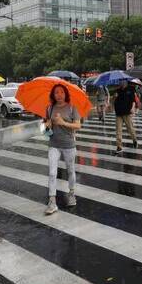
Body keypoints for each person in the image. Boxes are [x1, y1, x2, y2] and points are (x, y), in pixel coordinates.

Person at [43, 84, 81, 215]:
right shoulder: (49, 108)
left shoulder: (72, 107)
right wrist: (47, 126)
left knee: (70, 170)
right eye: (56, 93)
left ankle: (71, 193)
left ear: (65, 94)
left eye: (61, 92)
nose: (59, 95)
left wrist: (63, 123)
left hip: (69, 144)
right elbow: (46, 130)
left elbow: (78, 125)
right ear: (53, 95)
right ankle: (52, 201)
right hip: (53, 144)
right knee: (52, 173)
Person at [112, 80, 138, 153]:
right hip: (118, 113)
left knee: (130, 128)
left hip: (127, 112)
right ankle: (119, 146)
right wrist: (114, 97)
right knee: (118, 130)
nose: (121, 83)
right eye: (120, 82)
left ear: (126, 82)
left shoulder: (131, 89)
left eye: (122, 82)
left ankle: (134, 139)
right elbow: (113, 101)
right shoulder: (117, 90)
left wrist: (133, 108)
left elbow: (133, 100)